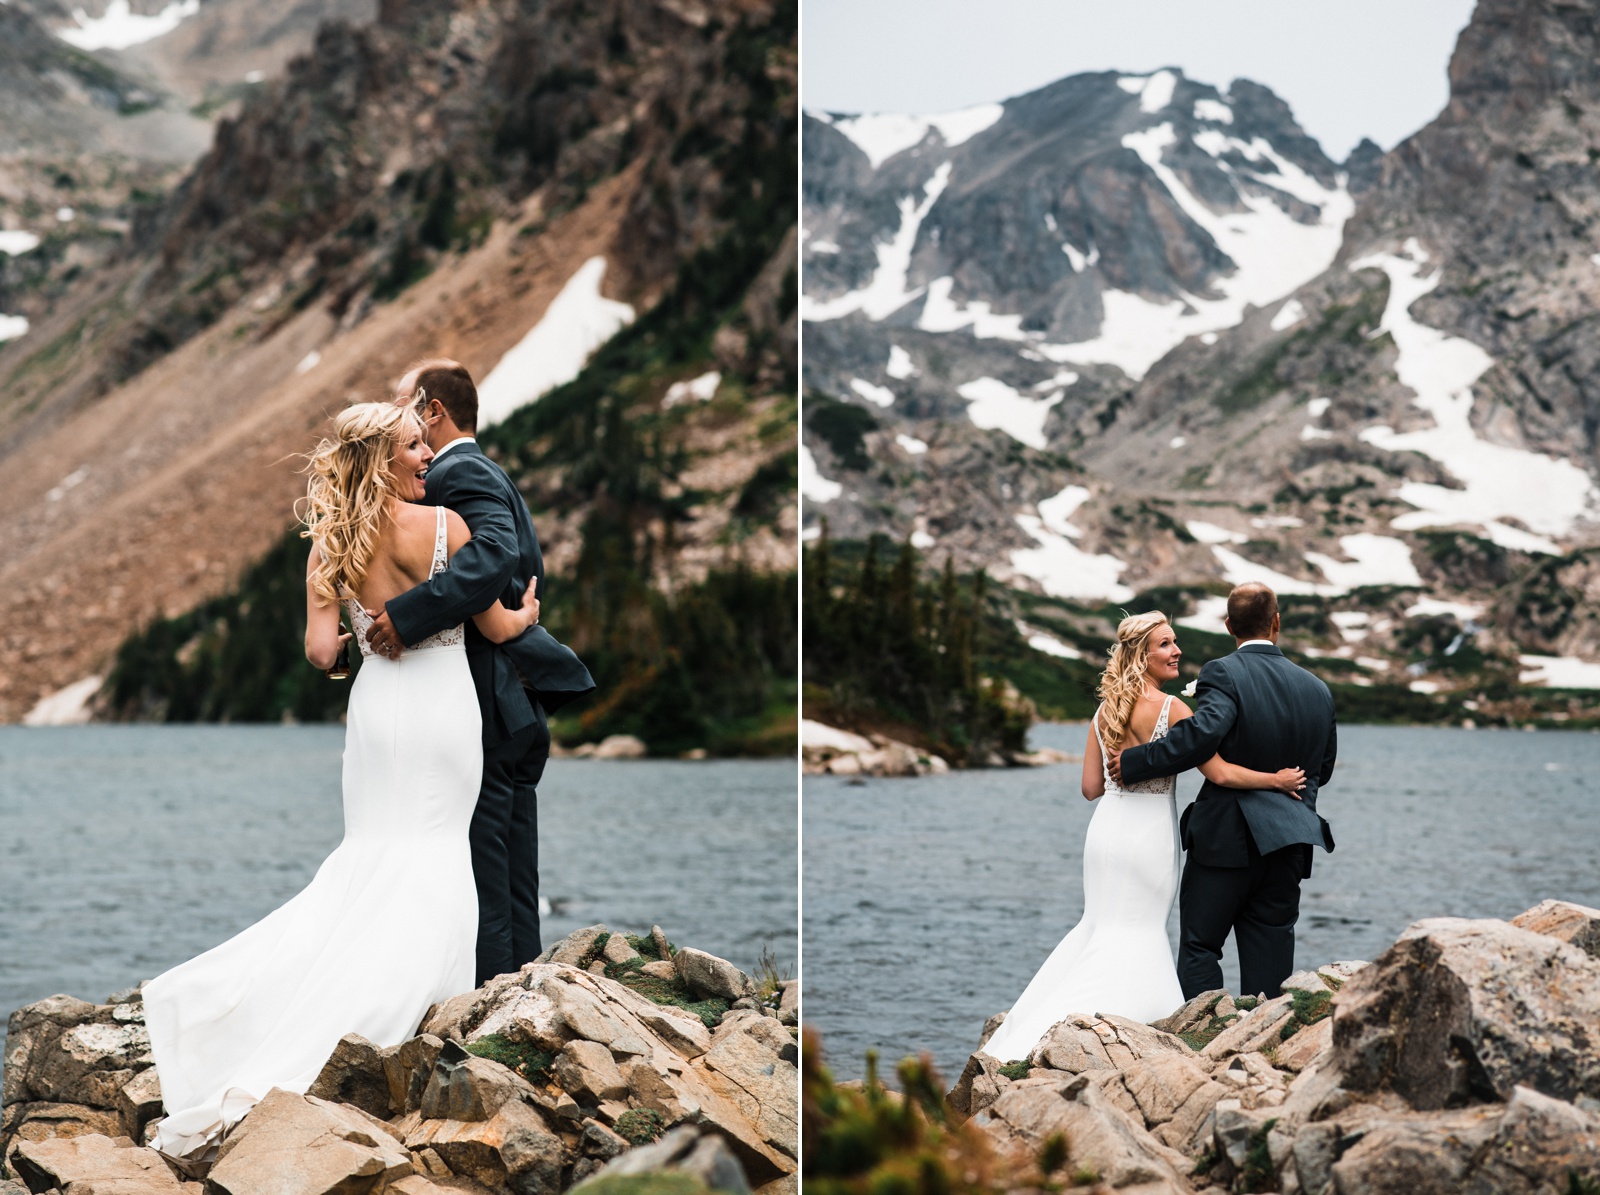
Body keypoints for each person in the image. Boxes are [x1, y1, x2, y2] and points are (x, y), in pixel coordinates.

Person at [143, 403, 542, 1156]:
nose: (426, 453)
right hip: (444, 708)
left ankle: (306, 999)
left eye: (426, 440)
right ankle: (425, 1009)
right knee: (437, 848)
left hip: (377, 709)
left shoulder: (328, 545)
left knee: (371, 850)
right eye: (412, 445)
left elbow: (321, 652)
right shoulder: (448, 531)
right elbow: (495, 627)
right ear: (385, 460)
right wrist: (526, 614)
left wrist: (355, 632)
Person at [983, 610, 1307, 1064]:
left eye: (1175, 642)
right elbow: (1220, 773)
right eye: (1165, 645)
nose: (1177, 651)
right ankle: (1129, 1022)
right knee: (1140, 928)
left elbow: (1091, 789)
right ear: (1141, 655)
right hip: (1149, 833)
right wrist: (1276, 780)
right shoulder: (1174, 708)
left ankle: (1048, 1023)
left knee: (1099, 924)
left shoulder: (1104, 710)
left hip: (1106, 832)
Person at [361, 359, 593, 985]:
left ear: (432, 410)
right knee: (512, 860)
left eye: (404, 404)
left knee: (485, 860)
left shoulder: (459, 472)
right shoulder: (478, 469)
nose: (397, 417)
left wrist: (405, 616)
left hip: (487, 695)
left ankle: (496, 997)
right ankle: (524, 988)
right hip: (507, 696)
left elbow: (496, 554)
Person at [1108, 582, 1337, 1002]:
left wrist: (1135, 762)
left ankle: (1207, 1045)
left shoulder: (1225, 672)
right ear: (1277, 623)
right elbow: (1323, 768)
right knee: (1270, 952)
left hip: (1228, 840)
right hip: (1290, 841)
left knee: (1199, 947)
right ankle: (1260, 1047)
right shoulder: (1318, 690)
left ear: (1229, 624)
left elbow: (1200, 736)